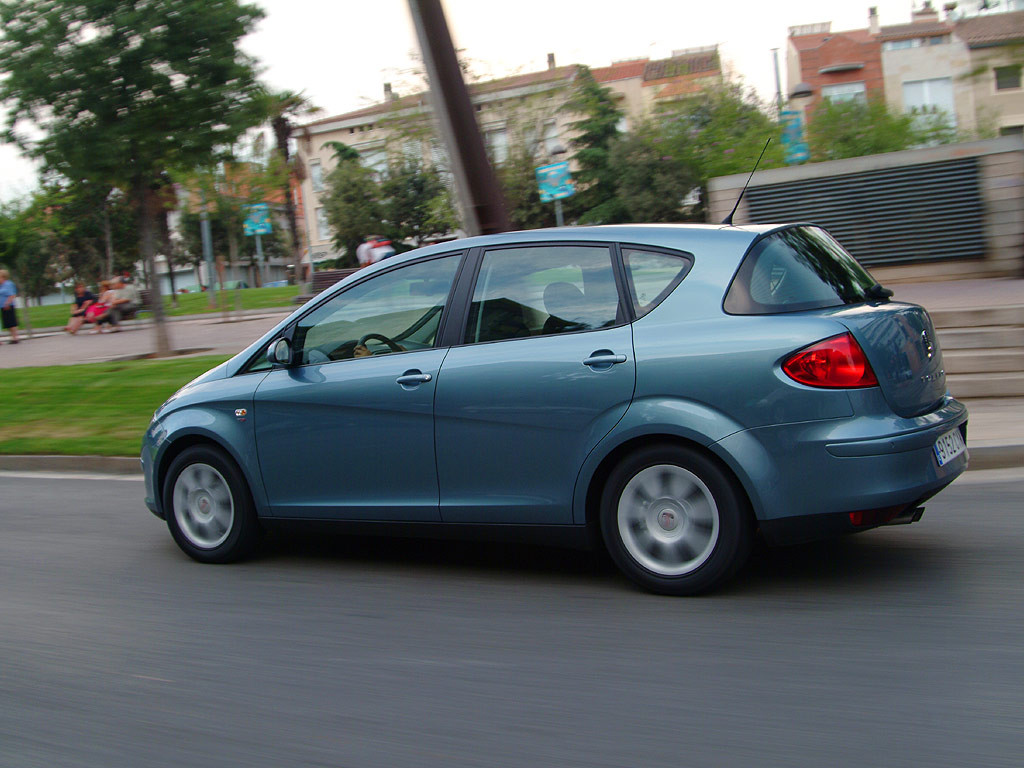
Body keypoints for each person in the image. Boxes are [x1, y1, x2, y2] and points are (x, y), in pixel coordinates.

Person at [0, 269, 19, 344]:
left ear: (3, 277)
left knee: (12, 323)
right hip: (3, 307)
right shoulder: (1, 286)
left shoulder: (8, 284)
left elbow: (12, 295)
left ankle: (15, 337)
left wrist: (7, 303)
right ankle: (12, 337)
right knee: (8, 323)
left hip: (8, 306)